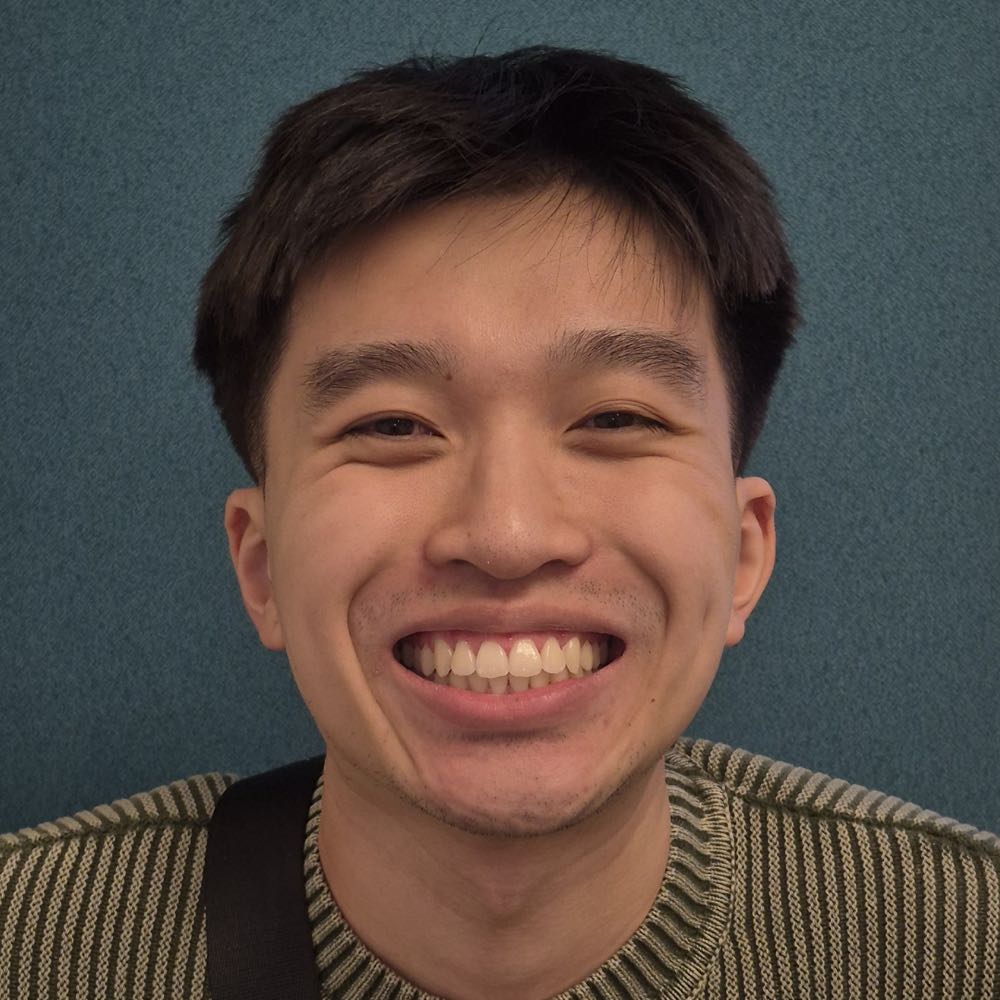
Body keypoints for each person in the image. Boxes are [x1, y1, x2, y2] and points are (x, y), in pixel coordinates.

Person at [2, 45, 997, 1000]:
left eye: (614, 418)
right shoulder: (31, 947)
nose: (508, 533)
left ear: (743, 553)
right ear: (259, 567)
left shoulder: (963, 944)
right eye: (392, 424)